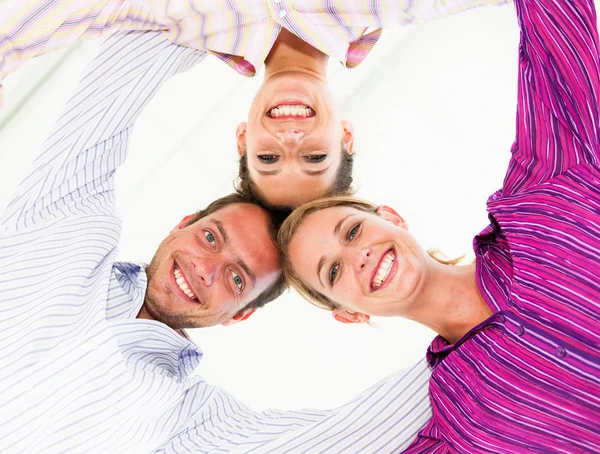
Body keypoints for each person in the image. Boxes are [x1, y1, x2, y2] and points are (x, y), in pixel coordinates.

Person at [0, 29, 434, 453]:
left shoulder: (186, 420)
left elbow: (352, 439)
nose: (205, 269)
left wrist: (466, 311)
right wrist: (227, 24)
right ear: (183, 223)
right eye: (210, 237)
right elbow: (110, 96)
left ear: (238, 316)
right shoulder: (66, 236)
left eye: (237, 279)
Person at [277, 0, 600, 451]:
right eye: (333, 271)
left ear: (390, 217)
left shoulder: (542, 193)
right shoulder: (457, 426)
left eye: (352, 232)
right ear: (350, 313)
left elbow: (559, 29)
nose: (358, 256)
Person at [0, 0, 505, 209]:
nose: (290, 140)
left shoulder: (195, 24)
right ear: (345, 136)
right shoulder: (382, 7)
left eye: (268, 158)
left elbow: (51, 20)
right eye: (314, 157)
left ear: (243, 137)